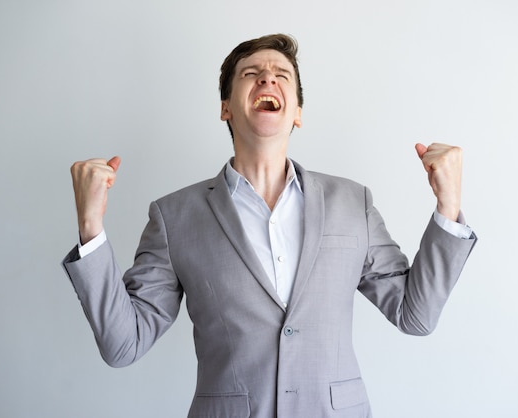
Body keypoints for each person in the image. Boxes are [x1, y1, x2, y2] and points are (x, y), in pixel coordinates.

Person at [62, 34, 476, 417]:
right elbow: (123, 344)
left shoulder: (353, 203)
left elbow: (414, 315)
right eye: (251, 74)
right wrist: (90, 226)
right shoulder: (174, 217)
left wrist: (448, 206)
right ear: (226, 107)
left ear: (297, 113)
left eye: (282, 75)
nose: (267, 79)